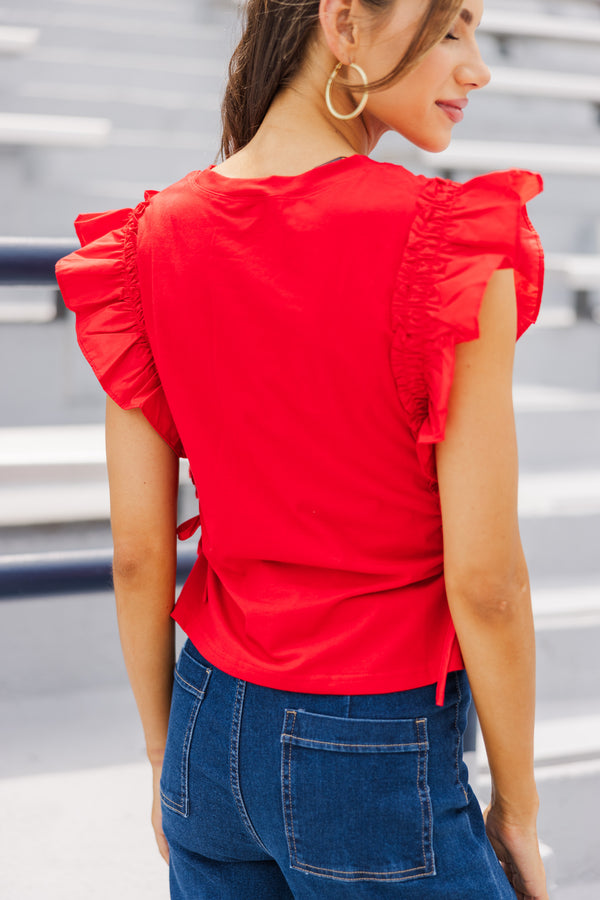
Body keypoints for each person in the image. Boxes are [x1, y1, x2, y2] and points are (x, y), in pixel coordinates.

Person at [56, 0, 549, 896]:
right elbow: (489, 586)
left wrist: (168, 759)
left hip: (207, 723)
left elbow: (137, 557)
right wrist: (517, 807)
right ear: (344, 23)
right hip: (373, 745)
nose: (476, 66)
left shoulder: (145, 244)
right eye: (451, 28)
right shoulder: (449, 246)